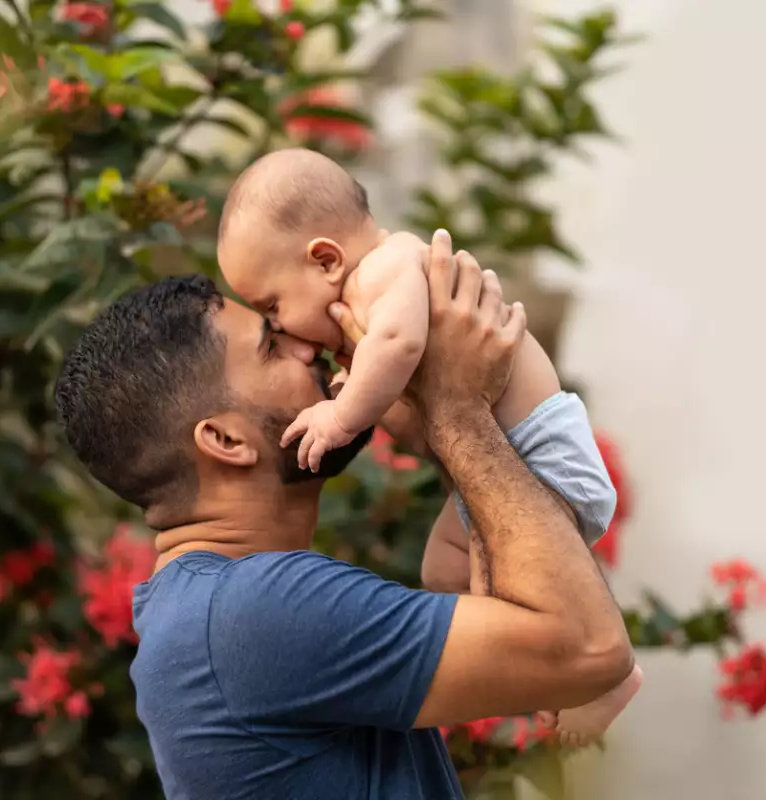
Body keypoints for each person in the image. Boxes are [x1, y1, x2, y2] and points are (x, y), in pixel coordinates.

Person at [52, 230, 636, 799]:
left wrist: (440, 425)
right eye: (273, 344)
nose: (311, 343)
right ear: (226, 441)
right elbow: (588, 649)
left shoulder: (213, 609)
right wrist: (457, 410)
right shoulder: (252, 612)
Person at [216, 147, 642, 744]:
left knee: (508, 597)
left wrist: (342, 414)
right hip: (506, 455)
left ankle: (601, 679)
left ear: (324, 259)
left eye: (273, 307)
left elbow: (398, 347)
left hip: (541, 450)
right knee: (443, 570)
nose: (283, 329)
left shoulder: (389, 268)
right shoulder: (365, 292)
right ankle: (554, 676)